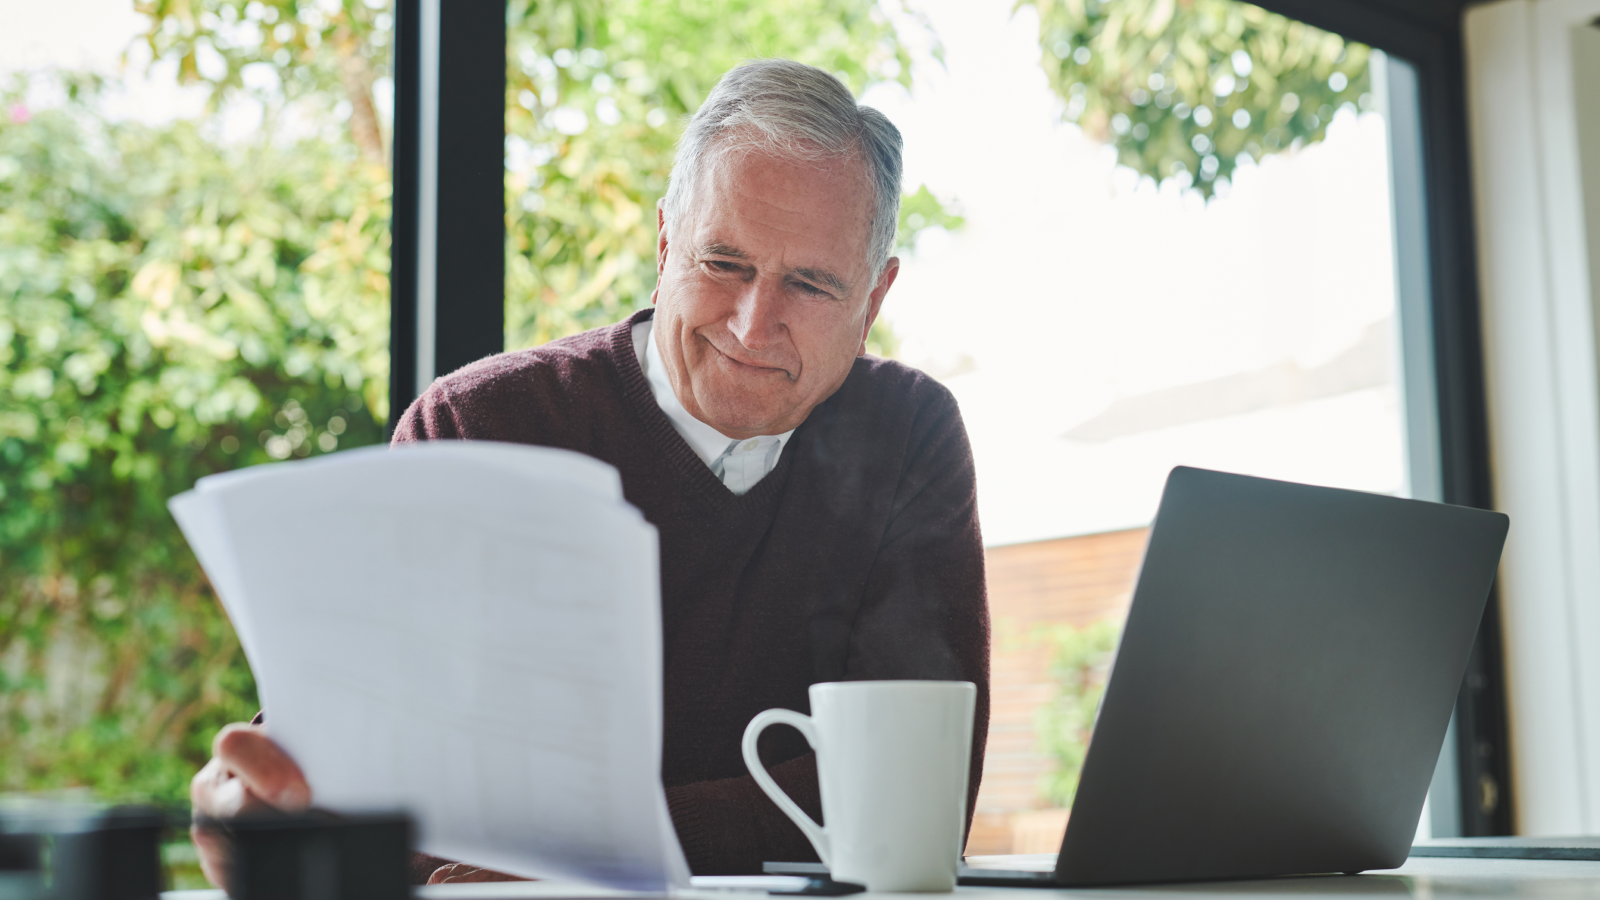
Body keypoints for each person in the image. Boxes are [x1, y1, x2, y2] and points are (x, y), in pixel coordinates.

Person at [188, 58, 990, 887]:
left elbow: (910, 803)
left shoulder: (907, 436)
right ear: (666, 242)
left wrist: (575, 862)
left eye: (811, 284)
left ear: (875, 298)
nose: (754, 325)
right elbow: (371, 794)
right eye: (724, 263)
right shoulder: (477, 428)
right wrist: (255, 811)